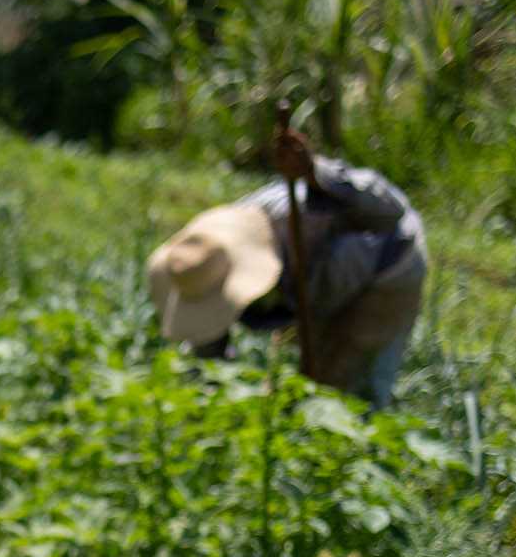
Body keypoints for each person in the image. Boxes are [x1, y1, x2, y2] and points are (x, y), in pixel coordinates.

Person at [147, 128, 428, 408]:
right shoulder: (203, 259)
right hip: (313, 282)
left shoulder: (299, 216)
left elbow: (391, 207)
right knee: (299, 386)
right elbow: (207, 349)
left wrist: (314, 172)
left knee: (347, 395)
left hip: (388, 265)